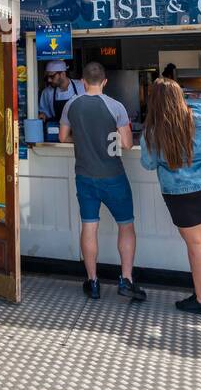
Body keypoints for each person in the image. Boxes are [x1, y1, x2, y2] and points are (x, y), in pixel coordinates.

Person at [139, 75, 201, 315]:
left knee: (197, 245)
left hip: (179, 193)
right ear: (180, 95)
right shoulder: (200, 113)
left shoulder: (152, 131)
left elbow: (148, 163)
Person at [58, 61, 146, 301]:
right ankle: (126, 280)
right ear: (105, 82)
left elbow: (63, 137)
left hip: (84, 176)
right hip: (113, 176)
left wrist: (84, 139)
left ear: (83, 82)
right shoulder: (116, 106)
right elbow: (127, 144)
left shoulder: (71, 105)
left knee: (89, 226)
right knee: (126, 226)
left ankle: (93, 281)